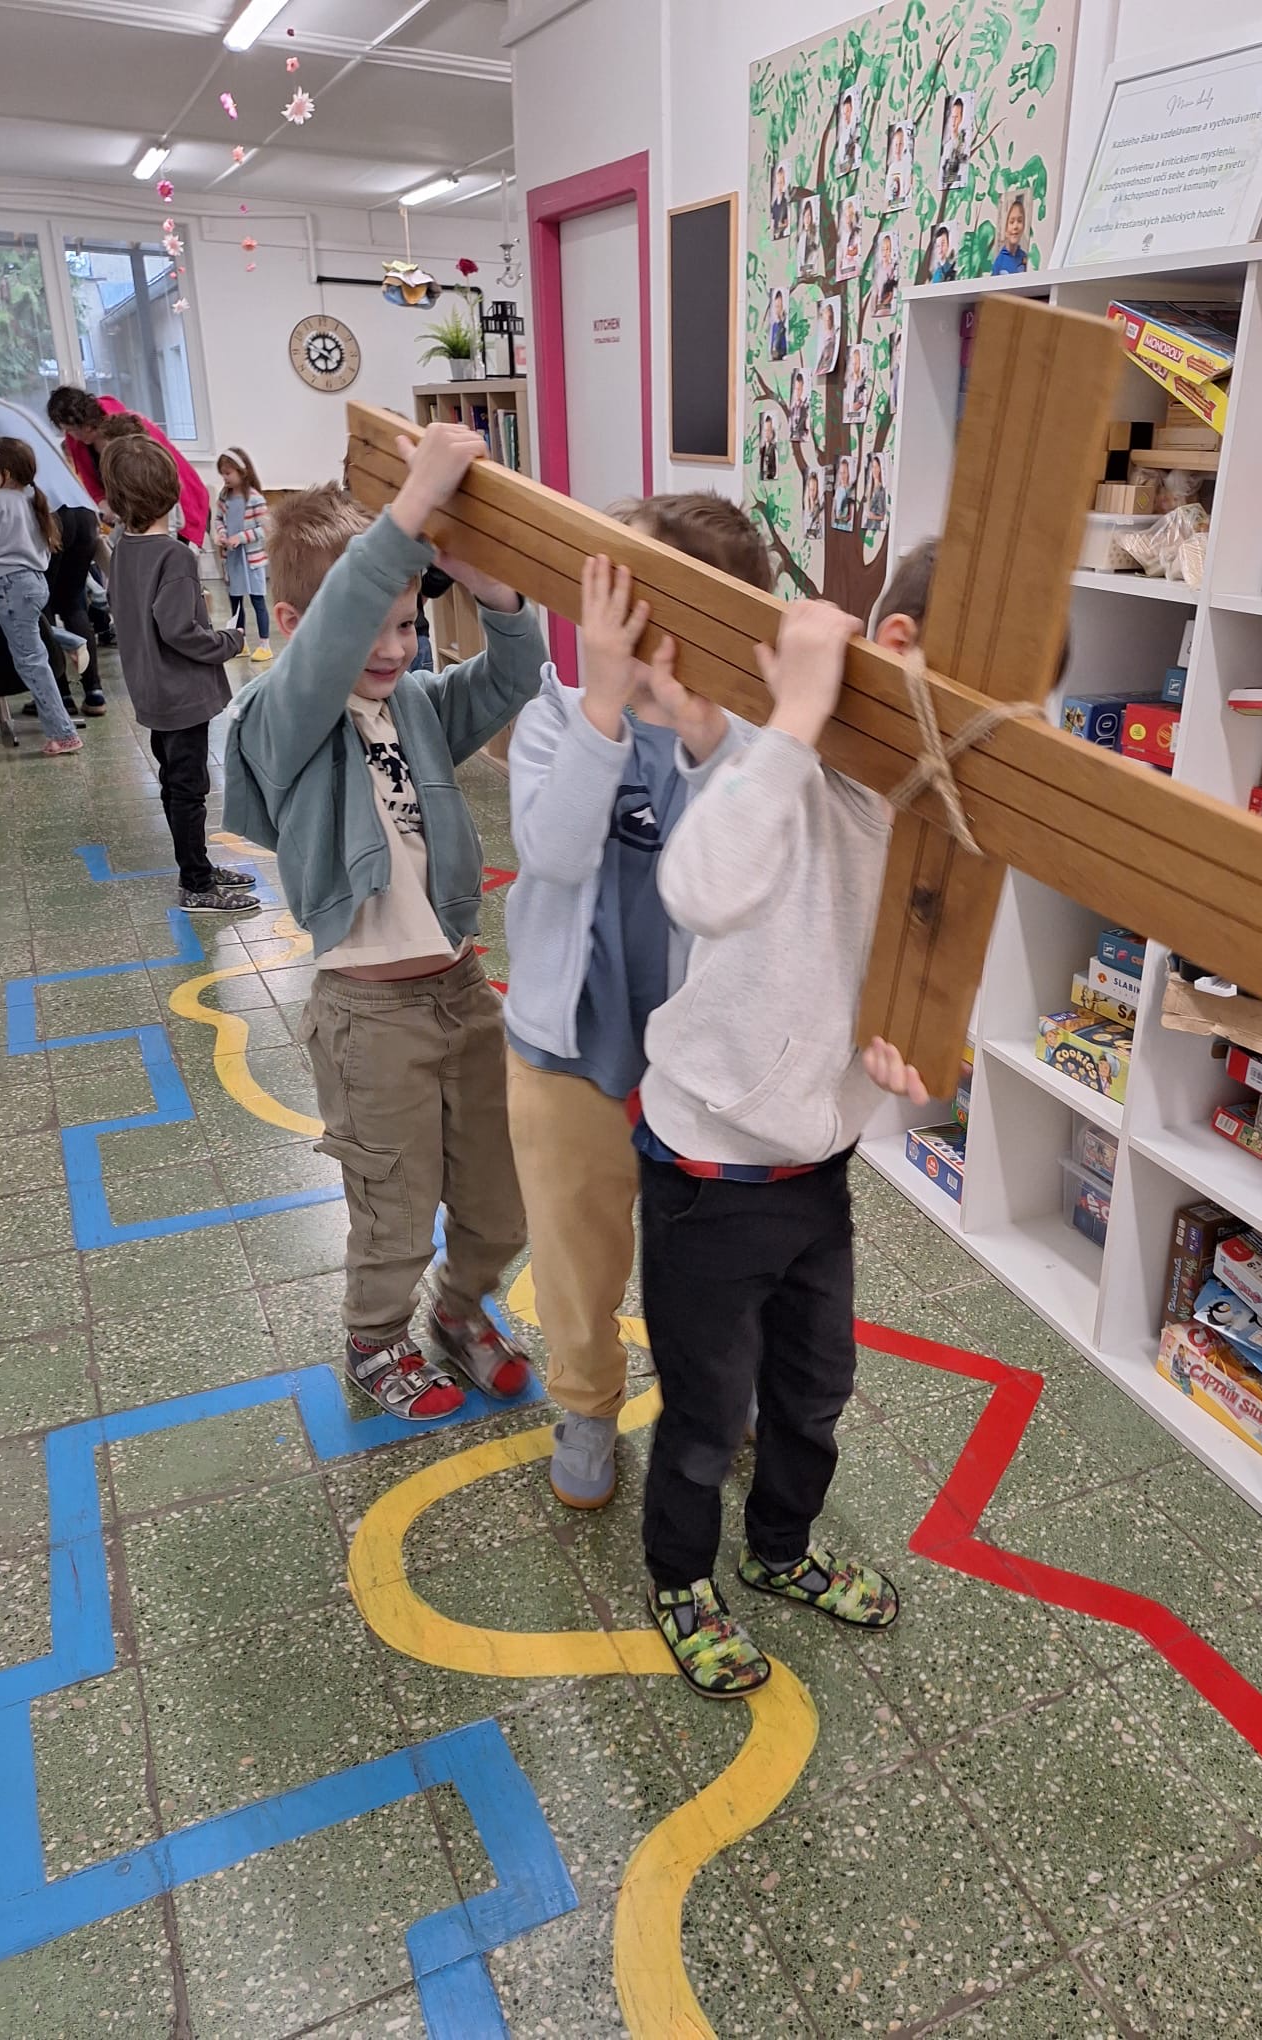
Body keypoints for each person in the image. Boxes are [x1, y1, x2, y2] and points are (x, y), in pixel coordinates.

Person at [634, 578, 935, 1697]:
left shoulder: (926, 815)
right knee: (707, 1410)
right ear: (898, 643)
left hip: (817, 1163)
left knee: (813, 1387)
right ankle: (681, 1580)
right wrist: (800, 711)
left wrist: (911, 1054)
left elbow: (911, 981)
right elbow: (697, 888)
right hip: (709, 1167)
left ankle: (779, 1550)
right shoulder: (783, 762)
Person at [223, 424, 546, 1421]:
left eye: (408, 623)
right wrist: (410, 508)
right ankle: (375, 1339)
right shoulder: (280, 718)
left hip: (460, 993)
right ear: (292, 622)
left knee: (500, 1198)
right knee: (394, 1209)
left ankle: (462, 1309)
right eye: (373, 623)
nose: (394, 646)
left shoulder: (414, 705)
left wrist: (491, 591)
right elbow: (324, 653)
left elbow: (511, 678)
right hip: (368, 1019)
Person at [503, 496, 769, 1509]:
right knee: (575, 1253)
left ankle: (716, 1387)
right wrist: (604, 709)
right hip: (568, 1052)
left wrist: (711, 738)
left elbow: (748, 869)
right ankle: (586, 1404)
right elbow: (555, 850)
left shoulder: (748, 745)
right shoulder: (557, 717)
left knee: (710, 1255)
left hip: (700, 1064)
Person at [100, 433, 252, 900]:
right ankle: (197, 884)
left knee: (174, 784)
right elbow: (179, 631)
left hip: (151, 690)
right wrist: (228, 640)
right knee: (189, 790)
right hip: (182, 695)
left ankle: (196, 865)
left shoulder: (122, 549)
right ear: (172, 492)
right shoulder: (176, 556)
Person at [0, 398, 106, 714]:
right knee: (74, 603)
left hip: (48, 510)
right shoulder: (16, 409)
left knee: (38, 611)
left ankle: (59, 697)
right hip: (81, 509)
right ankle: (94, 692)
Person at [47, 386, 211, 550]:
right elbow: (92, 484)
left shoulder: (128, 430)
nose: (76, 435)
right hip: (139, 515)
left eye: (78, 428)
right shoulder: (77, 441)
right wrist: (105, 504)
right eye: (69, 430)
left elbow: (168, 490)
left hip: (173, 507)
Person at [0, 437, 82, 755]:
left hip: (10, 586)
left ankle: (64, 734)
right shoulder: (33, 496)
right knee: (28, 638)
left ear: (6, 472)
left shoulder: (2, 501)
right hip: (31, 583)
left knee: (31, 661)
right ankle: (71, 640)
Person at [214, 447, 273, 661]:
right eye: (222, 473)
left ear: (242, 471)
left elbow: (265, 528)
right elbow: (218, 519)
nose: (225, 477)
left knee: (258, 601)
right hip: (233, 559)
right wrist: (222, 535)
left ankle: (265, 645)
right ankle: (241, 642)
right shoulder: (224, 497)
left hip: (252, 560)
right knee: (236, 602)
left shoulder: (256, 499)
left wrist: (241, 537)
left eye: (228, 473)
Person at [991, 194, 1029, 275]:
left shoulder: (1025, 257)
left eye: (1020, 221)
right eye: (1011, 222)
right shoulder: (999, 262)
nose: (1015, 226)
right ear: (1005, 228)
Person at [863, 453, 889, 536]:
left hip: (874, 529)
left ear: (880, 469)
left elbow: (882, 516)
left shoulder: (881, 490)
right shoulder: (869, 488)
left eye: (876, 467)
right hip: (867, 526)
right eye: (873, 467)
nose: (874, 469)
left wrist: (870, 516)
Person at [815, 299, 838, 377]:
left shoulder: (835, 333)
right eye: (826, 319)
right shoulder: (820, 336)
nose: (828, 321)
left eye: (830, 317)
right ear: (822, 318)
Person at [832, 453, 855, 529]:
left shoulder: (851, 490)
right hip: (836, 525)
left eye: (844, 472)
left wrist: (843, 519)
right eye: (841, 473)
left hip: (846, 526)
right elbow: (834, 509)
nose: (842, 475)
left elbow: (850, 515)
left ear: (848, 473)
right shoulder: (837, 490)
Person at [799, 198, 820, 278]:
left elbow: (816, 254)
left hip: (813, 273)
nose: (807, 219)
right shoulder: (801, 236)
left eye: (809, 216)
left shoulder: (815, 233)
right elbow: (799, 257)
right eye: (805, 216)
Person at [787, 369, 809, 442]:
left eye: (799, 389)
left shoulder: (805, 407)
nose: (797, 392)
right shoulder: (790, 407)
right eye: (796, 389)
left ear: (802, 388)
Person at [768, 289, 788, 362]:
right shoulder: (775, 326)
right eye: (776, 306)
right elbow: (773, 351)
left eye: (779, 306)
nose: (777, 310)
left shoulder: (784, 325)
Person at [803, 468, 823, 540]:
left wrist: (812, 503)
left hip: (815, 532)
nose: (812, 493)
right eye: (811, 489)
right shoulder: (806, 502)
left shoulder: (818, 505)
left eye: (814, 490)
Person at [770, 164, 789, 239]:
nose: (779, 186)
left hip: (781, 235)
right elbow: (772, 219)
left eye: (781, 183)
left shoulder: (785, 202)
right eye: (778, 183)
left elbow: (787, 223)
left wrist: (782, 225)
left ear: (784, 183)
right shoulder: (774, 203)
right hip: (774, 235)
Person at [759, 413, 778, 480]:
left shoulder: (774, 448)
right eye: (765, 431)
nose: (767, 434)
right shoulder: (762, 448)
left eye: (769, 431)